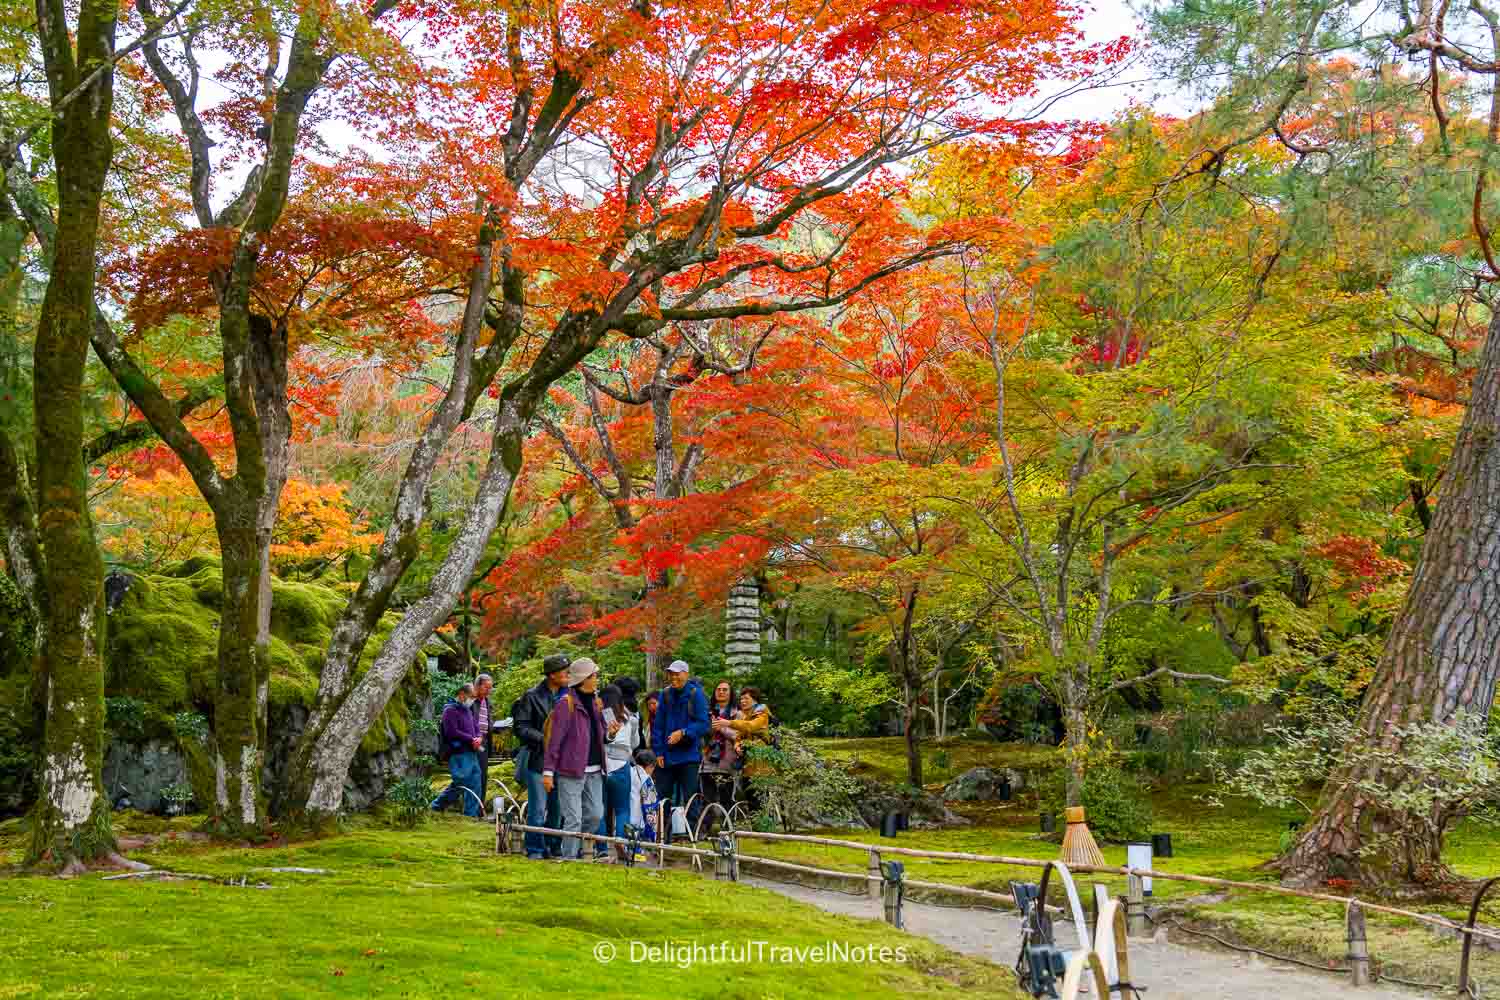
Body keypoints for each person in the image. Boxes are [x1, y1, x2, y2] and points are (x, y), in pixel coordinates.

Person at [543, 657, 608, 861]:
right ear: (584, 679)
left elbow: (602, 734)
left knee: (596, 815)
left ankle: (579, 849)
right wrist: (548, 772)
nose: (597, 679)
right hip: (570, 771)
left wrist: (611, 734)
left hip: (595, 770)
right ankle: (570, 859)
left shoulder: (596, 703)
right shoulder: (566, 704)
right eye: (594, 675)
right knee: (573, 819)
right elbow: (555, 741)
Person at [511, 654, 569, 859]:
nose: (568, 674)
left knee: (558, 809)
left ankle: (554, 846)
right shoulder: (531, 696)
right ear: (552, 675)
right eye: (564, 671)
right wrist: (545, 738)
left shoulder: (570, 695)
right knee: (537, 808)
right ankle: (534, 848)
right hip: (539, 760)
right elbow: (520, 727)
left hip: (564, 761)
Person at [650, 660, 708, 836]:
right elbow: (658, 725)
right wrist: (658, 751)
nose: (674, 677)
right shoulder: (665, 694)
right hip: (667, 755)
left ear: (686, 674)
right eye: (671, 673)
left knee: (690, 797)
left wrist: (683, 732)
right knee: (662, 797)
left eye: (678, 673)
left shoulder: (695, 694)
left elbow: (704, 724)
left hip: (689, 755)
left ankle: (693, 836)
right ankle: (662, 837)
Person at [596, 683, 638, 860]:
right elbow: (635, 743)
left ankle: (602, 849)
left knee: (601, 809)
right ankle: (621, 840)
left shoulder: (598, 717)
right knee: (622, 809)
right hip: (622, 766)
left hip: (602, 766)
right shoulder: (631, 719)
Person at [716, 686, 772, 813]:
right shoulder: (745, 715)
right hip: (747, 767)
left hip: (761, 767)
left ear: (755, 700)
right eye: (741, 699)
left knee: (760, 803)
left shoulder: (762, 713)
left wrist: (729, 723)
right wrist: (737, 745)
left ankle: (764, 829)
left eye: (746, 698)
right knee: (751, 803)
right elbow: (739, 735)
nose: (743, 701)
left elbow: (751, 727)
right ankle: (755, 830)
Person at [430, 683, 483, 816]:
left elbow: (476, 727)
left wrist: (479, 738)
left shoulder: (468, 710)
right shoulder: (450, 710)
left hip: (471, 752)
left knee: (476, 782)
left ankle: (471, 814)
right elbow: (451, 732)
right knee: (461, 782)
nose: (473, 700)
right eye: (471, 697)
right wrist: (471, 739)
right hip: (458, 753)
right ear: (462, 694)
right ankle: (437, 805)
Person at [699, 679, 740, 820]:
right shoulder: (707, 712)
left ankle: (728, 830)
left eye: (725, 690)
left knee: (727, 797)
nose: (721, 692)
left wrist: (722, 729)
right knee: (707, 798)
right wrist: (708, 727)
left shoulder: (737, 714)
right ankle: (705, 829)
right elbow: (700, 734)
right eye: (718, 689)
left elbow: (739, 736)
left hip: (727, 761)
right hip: (708, 760)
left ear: (731, 693)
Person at [628, 746, 661, 854]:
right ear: (650, 766)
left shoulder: (629, 771)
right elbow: (650, 807)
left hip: (625, 816)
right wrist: (652, 834)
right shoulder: (646, 779)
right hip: (637, 820)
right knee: (636, 850)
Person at [470, 672, 494, 808]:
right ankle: (471, 807)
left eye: (490, 688)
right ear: (477, 686)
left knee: (483, 774)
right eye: (486, 688)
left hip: (484, 741)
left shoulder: (487, 701)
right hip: (471, 741)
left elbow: (487, 720)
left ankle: (480, 807)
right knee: (472, 774)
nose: (489, 691)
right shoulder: (470, 700)